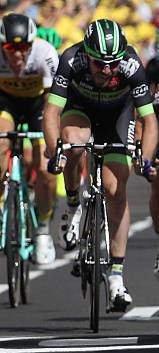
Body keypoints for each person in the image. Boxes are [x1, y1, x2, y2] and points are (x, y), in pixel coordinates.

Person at [43, 19, 158, 311]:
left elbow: (149, 120)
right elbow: (52, 111)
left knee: (114, 187)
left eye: (113, 64)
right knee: (73, 142)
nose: (107, 71)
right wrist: (54, 150)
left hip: (117, 117)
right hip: (79, 110)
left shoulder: (131, 64)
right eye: (99, 64)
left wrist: (144, 159)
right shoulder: (71, 58)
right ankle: (72, 204)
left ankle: (117, 275)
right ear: (87, 55)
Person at [0, 14, 59, 265]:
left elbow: (55, 101)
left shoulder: (45, 53)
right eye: (10, 48)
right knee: (1, 143)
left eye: (24, 47)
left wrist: (48, 137)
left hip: (38, 105)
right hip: (7, 103)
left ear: (32, 45)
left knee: (46, 168)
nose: (17, 54)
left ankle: (43, 227)